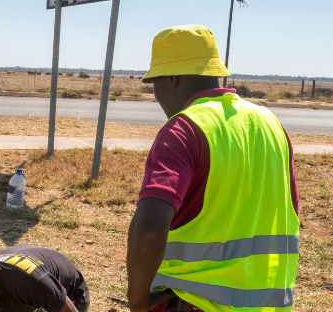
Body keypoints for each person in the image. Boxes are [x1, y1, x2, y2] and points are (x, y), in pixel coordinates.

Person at [126, 25, 299, 312]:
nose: (155, 94)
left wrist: (138, 301)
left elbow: (149, 225)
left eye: (155, 82)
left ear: (173, 78)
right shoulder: (271, 124)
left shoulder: (183, 129)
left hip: (194, 304)